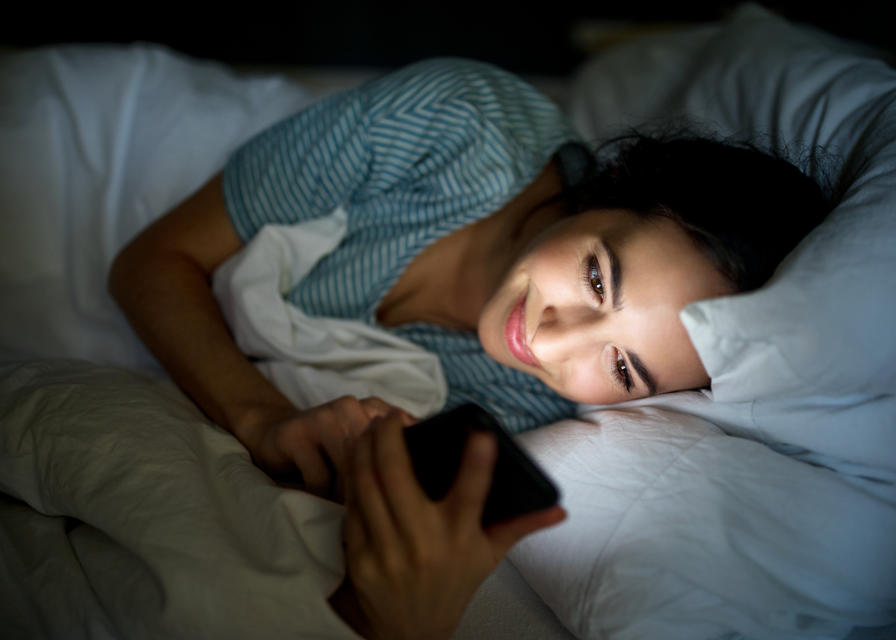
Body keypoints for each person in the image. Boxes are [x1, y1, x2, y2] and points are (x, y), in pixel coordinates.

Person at [108, 57, 829, 638]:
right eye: (596, 277)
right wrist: (262, 420)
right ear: (615, 190)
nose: (553, 340)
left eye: (622, 366)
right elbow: (150, 263)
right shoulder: (454, 122)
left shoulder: (532, 409)